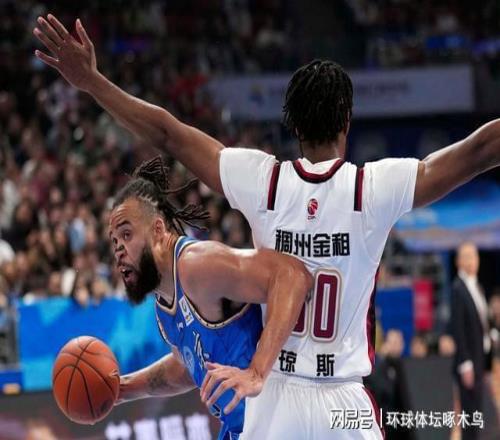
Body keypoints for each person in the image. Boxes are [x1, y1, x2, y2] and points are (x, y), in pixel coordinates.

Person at [33, 15, 500, 439]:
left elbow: (168, 134)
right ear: (347, 121)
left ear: (292, 126)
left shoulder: (265, 183)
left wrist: (93, 83)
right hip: (343, 398)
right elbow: (478, 151)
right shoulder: (372, 188)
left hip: (275, 395)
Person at [107, 156, 312, 440]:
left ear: (158, 230)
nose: (119, 249)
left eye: (127, 234)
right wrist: (122, 389)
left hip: (281, 422)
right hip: (241, 430)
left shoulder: (196, 265)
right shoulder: (164, 305)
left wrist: (256, 372)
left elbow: (292, 276)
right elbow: (187, 366)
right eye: (114, 241)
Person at [451, 242, 493, 440]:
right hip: (469, 362)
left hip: (480, 358)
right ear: (458, 261)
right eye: (467, 256)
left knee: (477, 412)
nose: (472, 261)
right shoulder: (458, 289)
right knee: (469, 414)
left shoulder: (476, 286)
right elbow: (458, 328)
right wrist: (465, 362)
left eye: (475, 256)